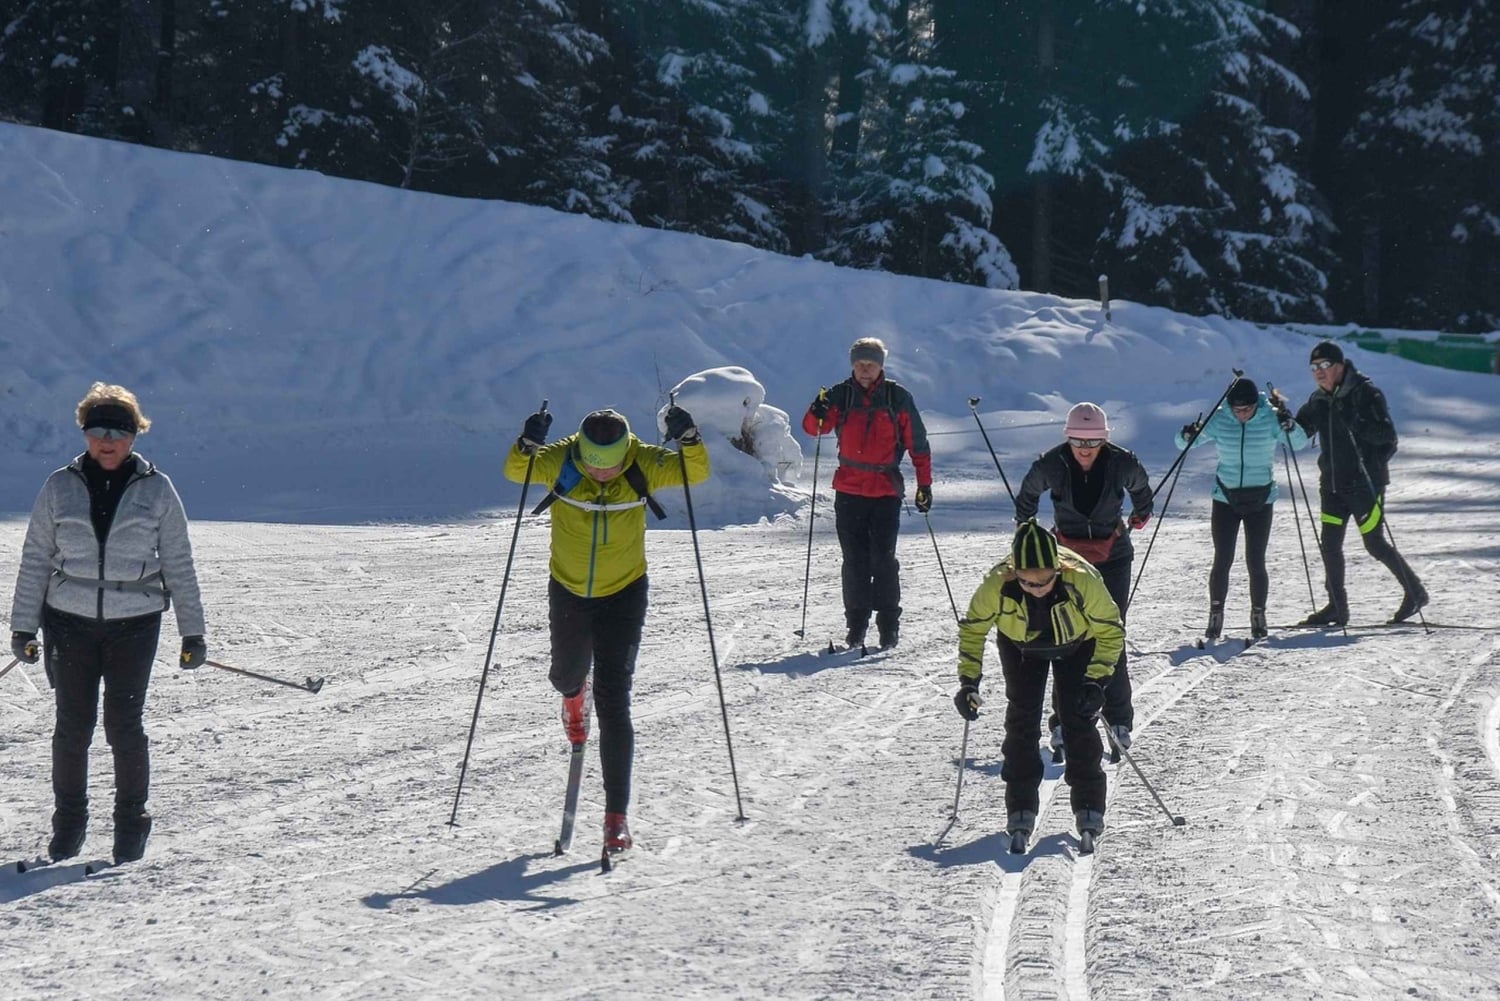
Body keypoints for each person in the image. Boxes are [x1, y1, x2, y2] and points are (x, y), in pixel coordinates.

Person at [9, 383, 206, 866]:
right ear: (85, 433)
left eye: (118, 431)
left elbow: (178, 561)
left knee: (123, 727)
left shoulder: (157, 489)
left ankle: (130, 826)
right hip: (68, 622)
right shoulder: (59, 485)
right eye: (97, 430)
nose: (107, 440)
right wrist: (23, 627)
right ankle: (69, 827)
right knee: (72, 728)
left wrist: (192, 632)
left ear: (134, 436)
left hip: (133, 625)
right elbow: (35, 557)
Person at [505, 404, 709, 858]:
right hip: (569, 589)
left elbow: (694, 472)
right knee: (565, 675)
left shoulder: (645, 462)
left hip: (625, 592)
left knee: (615, 700)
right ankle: (572, 697)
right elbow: (515, 469)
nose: (602, 475)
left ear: (624, 453)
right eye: (594, 467)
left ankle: (616, 821)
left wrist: (689, 437)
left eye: (611, 466)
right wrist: (527, 439)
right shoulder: (562, 457)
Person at [952, 519, 1124, 851]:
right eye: (1028, 583)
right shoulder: (996, 584)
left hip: (1077, 642)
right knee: (1021, 720)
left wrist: (1097, 680)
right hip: (1021, 647)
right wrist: (968, 681)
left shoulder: (1082, 578)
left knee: (1078, 721)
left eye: (1045, 581)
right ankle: (1020, 807)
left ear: (1058, 568)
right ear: (1014, 571)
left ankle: (1089, 806)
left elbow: (1111, 629)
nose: (1037, 588)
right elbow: (973, 629)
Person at [1014, 402, 1150, 753]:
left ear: (1104, 440)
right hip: (1067, 560)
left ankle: (1119, 718)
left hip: (1113, 557)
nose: (1085, 450)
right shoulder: (1052, 463)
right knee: (1066, 637)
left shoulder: (1121, 462)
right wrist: (1026, 530)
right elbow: (1027, 494)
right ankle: (1063, 722)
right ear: (1067, 439)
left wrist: (1141, 514)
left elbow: (1141, 487)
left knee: (1110, 632)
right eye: (1077, 442)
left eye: (1092, 443)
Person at [802, 337, 933, 650]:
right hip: (848, 490)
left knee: (883, 561)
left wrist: (924, 485)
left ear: (880, 366)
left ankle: (889, 627)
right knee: (855, 561)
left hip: (885, 490)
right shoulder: (840, 394)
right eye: (859, 364)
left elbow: (918, 444)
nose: (864, 369)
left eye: (870, 364)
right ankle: (856, 627)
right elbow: (813, 428)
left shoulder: (897, 397)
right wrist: (816, 410)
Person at [1292, 341, 1427, 625]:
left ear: (1340, 366)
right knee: (1329, 544)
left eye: (1325, 366)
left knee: (1374, 543)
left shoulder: (1366, 394)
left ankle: (1415, 592)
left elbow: (1388, 437)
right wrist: (1286, 422)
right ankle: (1337, 607)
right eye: (1314, 367)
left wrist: (1358, 424)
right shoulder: (1318, 400)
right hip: (1332, 485)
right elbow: (1301, 431)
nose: (1319, 372)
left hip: (1365, 484)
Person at [1176, 378, 1311, 640]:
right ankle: (1215, 615)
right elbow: (1183, 445)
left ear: (1255, 404)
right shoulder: (1220, 417)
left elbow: (1298, 443)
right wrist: (1186, 434)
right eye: (1238, 410)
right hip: (1225, 499)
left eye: (1247, 409)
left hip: (1261, 500)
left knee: (1255, 561)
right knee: (1222, 559)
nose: (1242, 414)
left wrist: (1290, 425)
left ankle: (1258, 615)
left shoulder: (1270, 417)